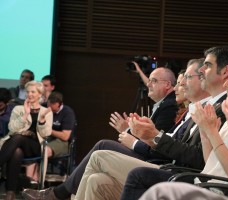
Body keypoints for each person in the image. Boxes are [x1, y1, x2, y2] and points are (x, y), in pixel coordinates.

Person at [22, 67, 178, 200]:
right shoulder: (163, 105)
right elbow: (153, 138)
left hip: (155, 164)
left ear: (167, 84)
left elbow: (155, 146)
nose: (149, 84)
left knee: (102, 145)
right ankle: (59, 193)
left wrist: (131, 135)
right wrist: (131, 130)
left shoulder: (169, 106)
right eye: (149, 80)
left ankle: (58, 193)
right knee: (95, 178)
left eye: (154, 81)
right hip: (149, 157)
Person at [69, 58, 212, 200]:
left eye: (186, 78)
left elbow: (184, 152)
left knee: (99, 154)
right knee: (96, 180)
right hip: (167, 166)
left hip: (172, 171)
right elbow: (171, 140)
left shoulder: (177, 107)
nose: (179, 85)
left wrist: (142, 137)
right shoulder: (191, 110)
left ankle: (60, 192)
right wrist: (144, 133)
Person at [119, 46, 228, 200]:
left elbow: (216, 166)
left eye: (208, 65)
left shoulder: (226, 109)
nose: (179, 86)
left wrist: (152, 137)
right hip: (188, 174)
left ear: (224, 72)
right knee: (98, 178)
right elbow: (204, 157)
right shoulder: (208, 106)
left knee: (106, 156)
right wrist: (151, 135)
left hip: (198, 179)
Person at [0, 81, 52, 199]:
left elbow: (46, 133)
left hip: (35, 146)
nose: (30, 94)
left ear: (40, 94)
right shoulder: (18, 109)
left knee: (18, 138)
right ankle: (10, 193)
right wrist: (25, 114)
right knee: (17, 152)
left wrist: (42, 120)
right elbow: (12, 128)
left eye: (33, 92)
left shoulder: (45, 111)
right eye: (28, 92)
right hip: (16, 144)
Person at [26, 91, 76, 182]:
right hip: (44, 137)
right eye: (49, 104)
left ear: (60, 104)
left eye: (53, 106)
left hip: (61, 141)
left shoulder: (67, 113)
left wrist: (48, 130)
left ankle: (39, 181)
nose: (50, 108)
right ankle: (29, 179)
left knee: (44, 150)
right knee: (33, 148)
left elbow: (65, 136)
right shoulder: (44, 107)